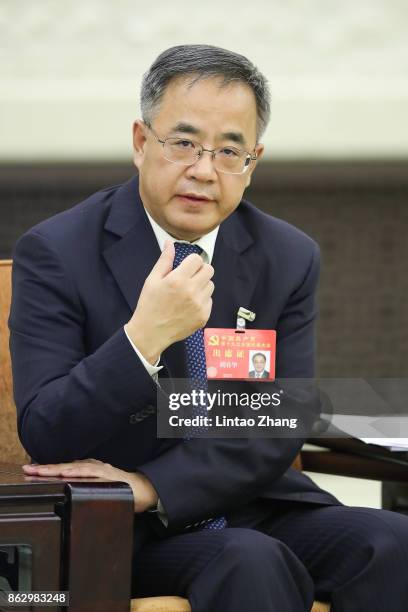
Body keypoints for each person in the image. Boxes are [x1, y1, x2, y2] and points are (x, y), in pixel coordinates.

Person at [9, 44, 408, 612]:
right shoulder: (57, 252)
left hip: (249, 500)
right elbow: (46, 429)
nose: (203, 169)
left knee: (391, 544)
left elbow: (279, 419)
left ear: (254, 162)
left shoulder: (287, 256)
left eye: (229, 151)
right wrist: (142, 338)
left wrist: (154, 487)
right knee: (248, 559)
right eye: (183, 143)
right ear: (141, 142)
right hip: (122, 528)